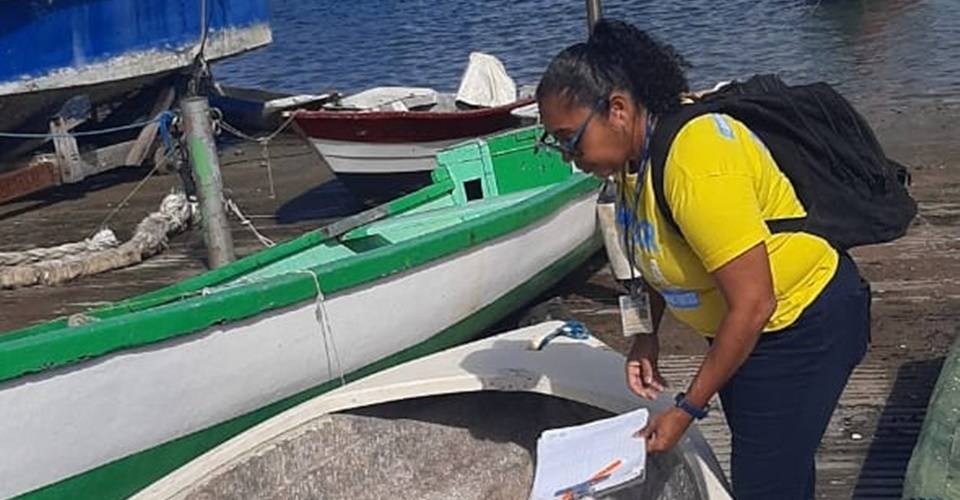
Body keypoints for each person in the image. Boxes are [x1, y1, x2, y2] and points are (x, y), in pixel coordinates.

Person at [535, 19, 871, 500]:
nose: (571, 158)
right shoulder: (634, 158)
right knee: (776, 470)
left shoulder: (696, 159)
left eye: (571, 139)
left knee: (766, 483)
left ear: (618, 109)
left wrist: (687, 409)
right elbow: (654, 248)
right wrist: (645, 337)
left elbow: (755, 302)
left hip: (802, 325)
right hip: (748, 331)